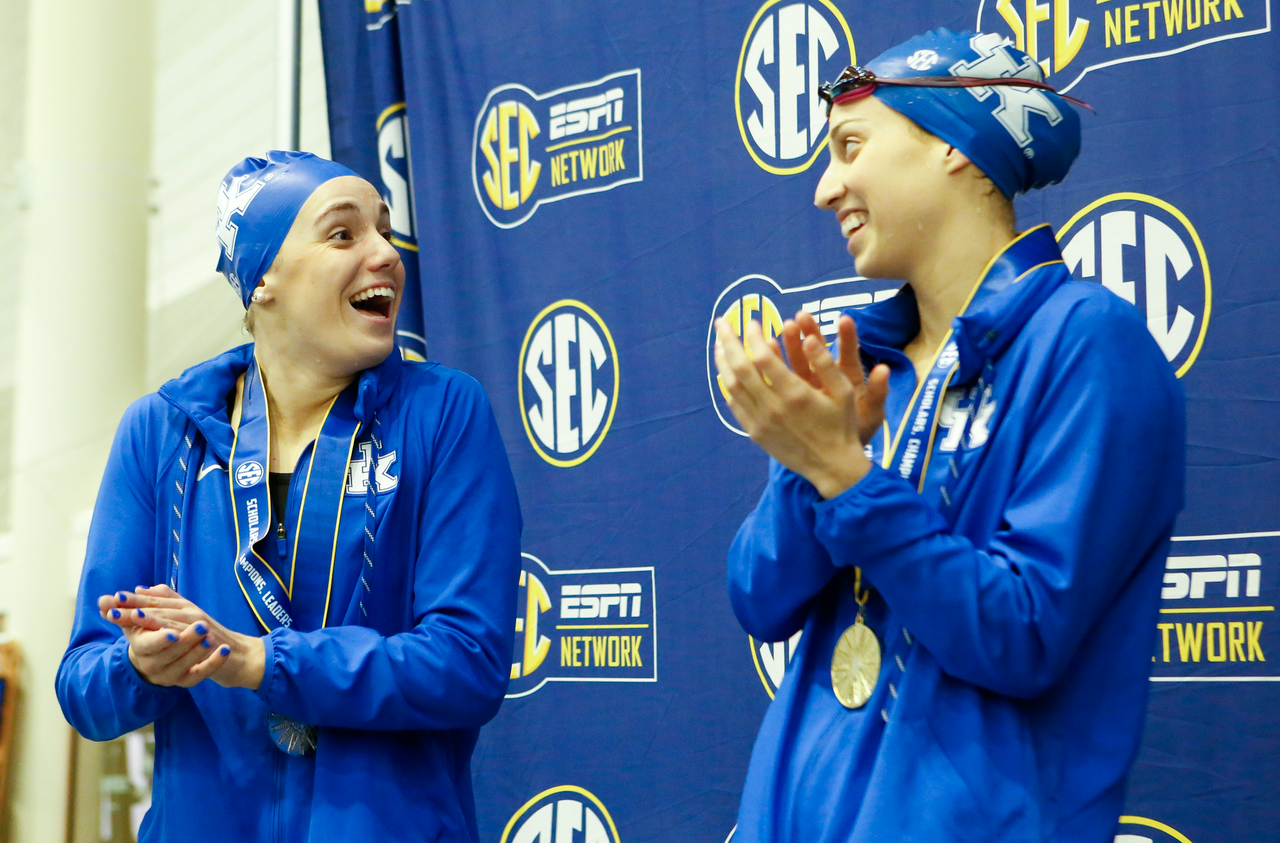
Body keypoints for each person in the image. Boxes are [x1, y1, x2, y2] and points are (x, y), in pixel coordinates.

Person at [714, 29, 1184, 843]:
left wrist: (848, 480)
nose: (827, 188)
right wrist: (810, 467)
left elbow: (1023, 634)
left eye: (850, 147)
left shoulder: (1090, 345)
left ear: (954, 148)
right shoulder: (859, 362)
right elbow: (759, 598)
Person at [57, 151, 522, 841]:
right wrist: (141, 664)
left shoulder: (442, 413)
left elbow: (467, 663)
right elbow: (84, 690)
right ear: (264, 278)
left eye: (385, 233)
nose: (386, 256)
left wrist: (263, 662)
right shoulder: (161, 432)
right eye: (344, 235)